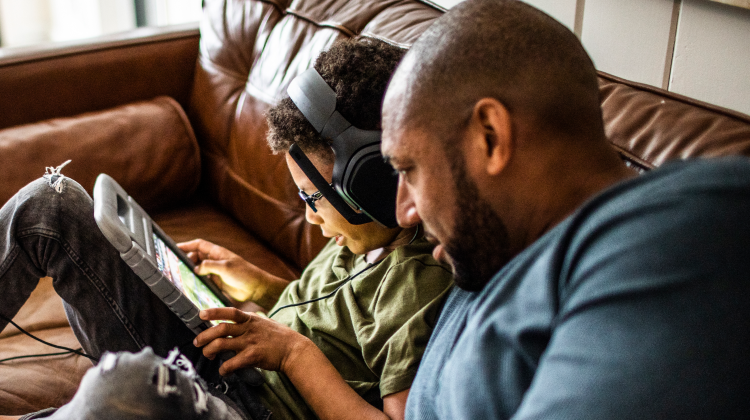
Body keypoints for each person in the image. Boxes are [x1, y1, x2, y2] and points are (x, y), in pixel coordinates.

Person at [0, 38, 452, 420]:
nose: (311, 216)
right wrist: (259, 284)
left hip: (250, 406)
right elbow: (332, 315)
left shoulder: (417, 284)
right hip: (225, 360)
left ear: (371, 184)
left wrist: (294, 354)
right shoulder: (360, 236)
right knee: (50, 204)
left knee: (126, 386)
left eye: (314, 198)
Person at [379, 1, 750, 419]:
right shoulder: (494, 248)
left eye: (408, 170)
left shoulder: (685, 230)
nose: (404, 211)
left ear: (490, 136)